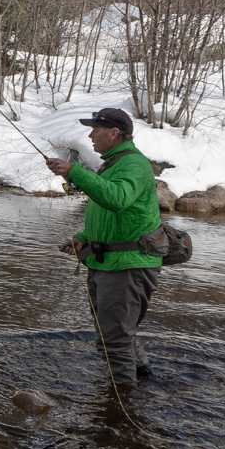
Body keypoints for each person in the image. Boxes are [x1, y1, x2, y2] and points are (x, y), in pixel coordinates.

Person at [44, 106, 161, 388]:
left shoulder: (133, 164)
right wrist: (84, 237)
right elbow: (114, 215)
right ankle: (147, 384)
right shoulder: (114, 164)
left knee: (115, 341)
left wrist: (76, 172)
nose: (91, 136)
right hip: (109, 263)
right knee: (118, 335)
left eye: (95, 130)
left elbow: (117, 199)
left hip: (127, 266)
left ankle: (122, 405)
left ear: (114, 133)